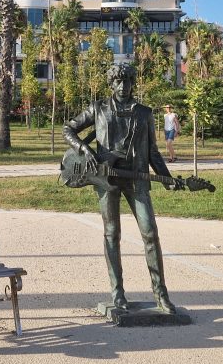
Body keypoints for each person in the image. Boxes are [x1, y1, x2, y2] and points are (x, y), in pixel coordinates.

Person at [63, 63, 181, 314]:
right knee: (111, 234)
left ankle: (161, 295)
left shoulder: (144, 113)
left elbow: (153, 151)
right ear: (111, 83)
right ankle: (117, 294)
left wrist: (166, 178)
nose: (123, 86)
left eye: (127, 81)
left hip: (137, 178)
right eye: (118, 81)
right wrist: (84, 149)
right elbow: (68, 129)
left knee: (150, 234)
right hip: (107, 179)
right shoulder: (98, 108)